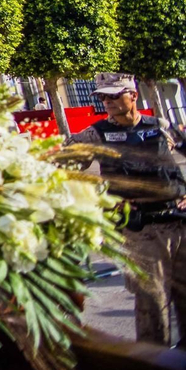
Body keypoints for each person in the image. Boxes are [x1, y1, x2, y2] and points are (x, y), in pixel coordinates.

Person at [70, 72, 186, 344]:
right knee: (152, 305)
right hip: (140, 231)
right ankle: (152, 362)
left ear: (133, 95)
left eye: (114, 95)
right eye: (102, 97)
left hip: (179, 223)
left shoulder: (159, 125)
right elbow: (61, 166)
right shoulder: (96, 134)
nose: (107, 102)